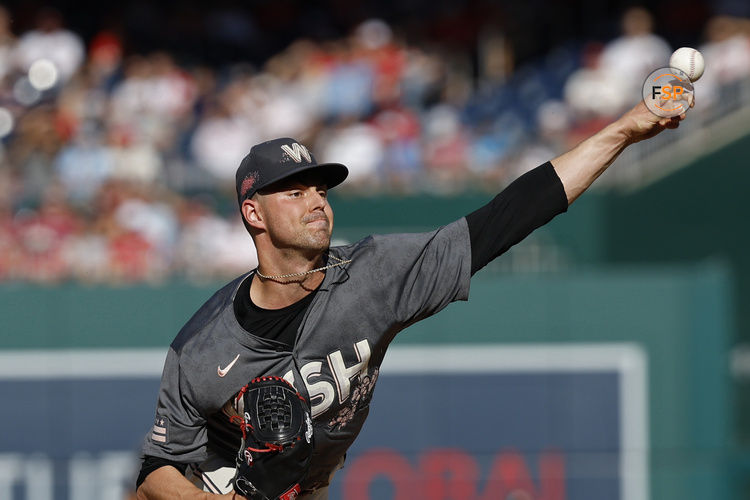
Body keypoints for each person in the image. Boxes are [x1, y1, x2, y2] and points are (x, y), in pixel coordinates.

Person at [135, 99, 689, 499]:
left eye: (322, 191)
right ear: (253, 213)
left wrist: (620, 131)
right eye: (296, 192)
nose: (317, 204)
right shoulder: (203, 347)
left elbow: (507, 218)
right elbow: (155, 472)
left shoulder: (375, 275)